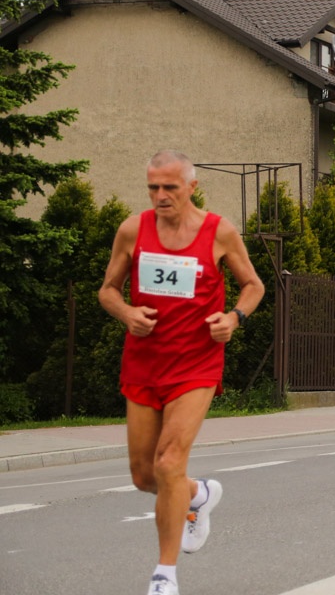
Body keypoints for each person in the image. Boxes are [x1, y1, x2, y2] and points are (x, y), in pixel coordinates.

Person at [99, 150, 264, 595]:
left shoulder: (218, 231)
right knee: (144, 475)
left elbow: (254, 285)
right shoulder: (133, 230)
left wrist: (233, 318)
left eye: (169, 187)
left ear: (192, 187)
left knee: (169, 462)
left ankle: (164, 575)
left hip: (196, 363)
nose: (160, 195)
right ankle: (198, 494)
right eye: (153, 187)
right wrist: (126, 313)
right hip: (144, 361)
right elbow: (108, 290)